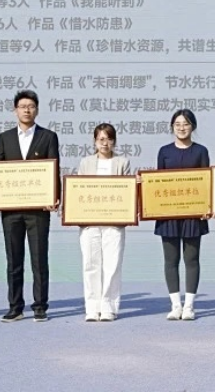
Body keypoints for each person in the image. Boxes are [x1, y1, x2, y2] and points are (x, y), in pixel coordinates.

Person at [0, 90, 61, 323]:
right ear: (15, 110)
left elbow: (54, 168)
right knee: (14, 260)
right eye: (22, 106)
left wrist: (55, 197)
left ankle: (40, 305)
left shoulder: (48, 136)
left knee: (39, 259)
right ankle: (15, 307)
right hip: (10, 210)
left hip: (38, 211)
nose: (27, 110)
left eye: (31, 106)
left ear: (37, 110)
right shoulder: (5, 137)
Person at [155, 109, 210, 321]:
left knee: (192, 259)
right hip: (168, 214)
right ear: (172, 127)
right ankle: (175, 305)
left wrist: (206, 206)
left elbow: (206, 182)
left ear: (192, 127)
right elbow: (157, 182)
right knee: (171, 260)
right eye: (177, 124)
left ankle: (189, 306)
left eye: (186, 124)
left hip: (192, 214)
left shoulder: (201, 151)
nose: (181, 128)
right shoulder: (164, 151)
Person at [76, 123, 132, 322]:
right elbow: (78, 191)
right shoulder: (86, 163)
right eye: (101, 139)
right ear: (94, 141)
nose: (104, 143)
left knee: (112, 265)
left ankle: (108, 306)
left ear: (114, 141)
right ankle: (92, 307)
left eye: (108, 139)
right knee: (90, 264)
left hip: (114, 222)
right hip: (90, 222)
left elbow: (127, 192)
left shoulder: (122, 163)